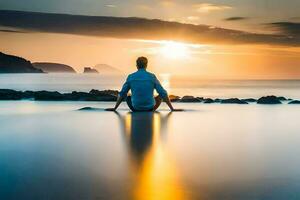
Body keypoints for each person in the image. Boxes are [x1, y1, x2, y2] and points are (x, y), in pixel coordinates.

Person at [106, 57, 181, 112]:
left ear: (136, 65)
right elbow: (163, 93)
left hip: (135, 108)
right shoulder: (152, 76)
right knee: (161, 95)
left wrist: (115, 108)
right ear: (146, 65)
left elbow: (122, 93)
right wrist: (172, 109)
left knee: (127, 95)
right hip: (150, 108)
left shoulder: (131, 77)